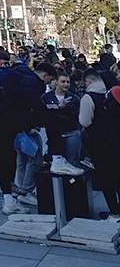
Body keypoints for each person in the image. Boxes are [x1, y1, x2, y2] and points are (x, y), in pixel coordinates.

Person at [0, 56, 49, 214]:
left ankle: (7, 193)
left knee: (3, 154)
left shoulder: (15, 77)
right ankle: (8, 198)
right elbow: (36, 108)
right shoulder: (29, 82)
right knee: (7, 156)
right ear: (45, 76)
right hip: (5, 121)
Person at [81, 77, 120, 215]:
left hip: (101, 144)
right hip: (115, 143)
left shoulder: (90, 98)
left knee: (106, 179)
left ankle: (115, 211)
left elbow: (85, 121)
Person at [43, 70, 84, 174]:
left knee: (73, 162)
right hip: (54, 135)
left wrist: (59, 110)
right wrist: (57, 108)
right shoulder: (46, 97)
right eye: (63, 82)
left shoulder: (74, 99)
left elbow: (74, 116)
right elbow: (44, 113)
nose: (66, 84)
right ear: (56, 82)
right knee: (56, 162)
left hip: (71, 132)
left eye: (68, 82)